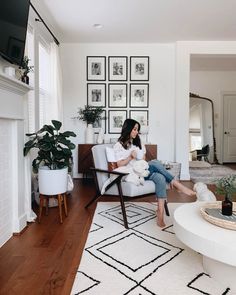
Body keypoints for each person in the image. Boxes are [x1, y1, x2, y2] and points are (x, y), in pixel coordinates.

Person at [113, 118, 196, 228]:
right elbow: (119, 165)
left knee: (160, 177)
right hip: (133, 173)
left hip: (143, 171)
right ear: (128, 129)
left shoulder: (139, 141)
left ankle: (160, 212)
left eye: (137, 130)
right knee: (156, 163)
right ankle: (177, 184)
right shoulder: (118, 145)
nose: (136, 132)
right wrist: (130, 157)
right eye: (134, 129)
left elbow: (143, 159)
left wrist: (140, 157)